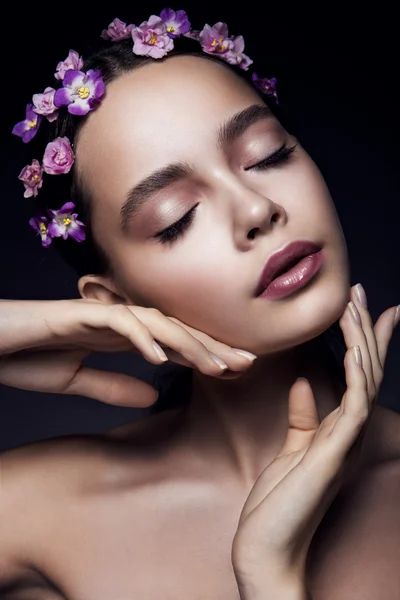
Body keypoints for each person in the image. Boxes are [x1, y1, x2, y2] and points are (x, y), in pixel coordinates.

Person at [1, 9, 399, 599]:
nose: (257, 209)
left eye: (266, 155)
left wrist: (272, 578)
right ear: (115, 301)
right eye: (177, 218)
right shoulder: (30, 513)